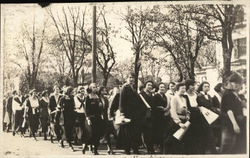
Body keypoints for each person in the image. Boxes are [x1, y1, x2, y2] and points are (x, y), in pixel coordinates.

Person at [118, 73, 146, 155]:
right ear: (127, 78)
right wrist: (122, 113)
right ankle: (127, 150)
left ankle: (135, 149)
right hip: (127, 113)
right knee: (127, 133)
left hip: (135, 114)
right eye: (130, 77)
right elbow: (121, 101)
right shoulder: (125, 87)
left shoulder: (134, 87)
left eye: (133, 78)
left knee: (135, 132)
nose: (131, 79)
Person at [220, 72, 246, 154]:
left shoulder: (234, 93)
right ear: (230, 83)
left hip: (237, 122)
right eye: (235, 83)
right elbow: (229, 110)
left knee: (235, 147)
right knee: (227, 147)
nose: (237, 85)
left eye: (239, 83)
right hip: (230, 124)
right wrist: (235, 124)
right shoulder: (228, 94)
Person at [164, 82, 191, 154]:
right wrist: (179, 123)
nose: (184, 90)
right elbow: (173, 111)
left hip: (184, 120)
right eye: (182, 88)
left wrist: (188, 115)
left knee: (182, 140)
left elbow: (187, 109)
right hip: (176, 122)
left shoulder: (184, 98)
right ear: (178, 89)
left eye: (185, 88)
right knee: (173, 140)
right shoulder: (174, 98)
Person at [185, 80, 206, 154]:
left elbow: (200, 104)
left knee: (198, 134)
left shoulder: (196, 94)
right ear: (188, 86)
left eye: (194, 85)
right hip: (190, 116)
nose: (194, 87)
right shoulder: (185, 95)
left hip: (198, 116)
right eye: (192, 85)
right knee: (190, 134)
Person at [197, 81, 217, 154]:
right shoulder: (199, 96)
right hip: (203, 117)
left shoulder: (209, 96)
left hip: (210, 116)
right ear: (201, 87)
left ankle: (211, 150)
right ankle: (207, 150)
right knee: (206, 133)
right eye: (205, 86)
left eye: (208, 86)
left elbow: (211, 105)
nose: (207, 88)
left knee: (210, 133)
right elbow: (202, 105)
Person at [85, 83, 105, 155]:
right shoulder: (88, 97)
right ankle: (86, 144)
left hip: (98, 117)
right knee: (92, 134)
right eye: (93, 87)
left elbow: (101, 107)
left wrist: (102, 113)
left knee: (98, 134)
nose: (95, 88)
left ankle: (95, 149)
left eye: (96, 87)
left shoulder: (98, 96)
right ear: (90, 88)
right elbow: (86, 109)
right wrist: (88, 118)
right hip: (91, 117)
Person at [152, 82, 170, 154]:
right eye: (161, 87)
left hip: (164, 117)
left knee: (163, 132)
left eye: (164, 87)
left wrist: (166, 110)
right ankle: (157, 146)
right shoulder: (156, 96)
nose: (162, 88)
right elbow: (153, 106)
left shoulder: (165, 96)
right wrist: (161, 108)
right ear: (158, 88)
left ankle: (162, 147)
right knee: (158, 132)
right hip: (157, 117)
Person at [139, 81, 155, 154]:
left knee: (150, 134)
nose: (150, 87)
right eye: (148, 85)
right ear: (145, 86)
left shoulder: (151, 94)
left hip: (150, 117)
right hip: (143, 117)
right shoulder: (141, 94)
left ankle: (150, 148)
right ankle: (148, 148)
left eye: (151, 85)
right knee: (145, 134)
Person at [59, 86, 76, 151]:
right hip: (65, 116)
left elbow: (74, 106)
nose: (73, 93)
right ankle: (70, 144)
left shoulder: (72, 98)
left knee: (70, 130)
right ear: (68, 91)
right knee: (66, 130)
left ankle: (61, 141)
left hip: (71, 116)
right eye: (72, 91)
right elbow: (59, 106)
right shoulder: (62, 98)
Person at [99, 86, 114, 154]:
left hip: (105, 117)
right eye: (103, 91)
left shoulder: (105, 98)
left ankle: (109, 148)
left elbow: (107, 107)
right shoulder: (97, 98)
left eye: (105, 90)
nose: (104, 92)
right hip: (98, 117)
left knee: (107, 131)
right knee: (98, 132)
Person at [212, 83, 225, 150]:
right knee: (217, 131)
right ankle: (217, 146)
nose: (224, 89)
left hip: (222, 117)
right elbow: (213, 107)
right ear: (219, 88)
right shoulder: (214, 97)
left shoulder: (223, 96)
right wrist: (217, 110)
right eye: (223, 87)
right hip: (217, 118)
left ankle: (220, 145)